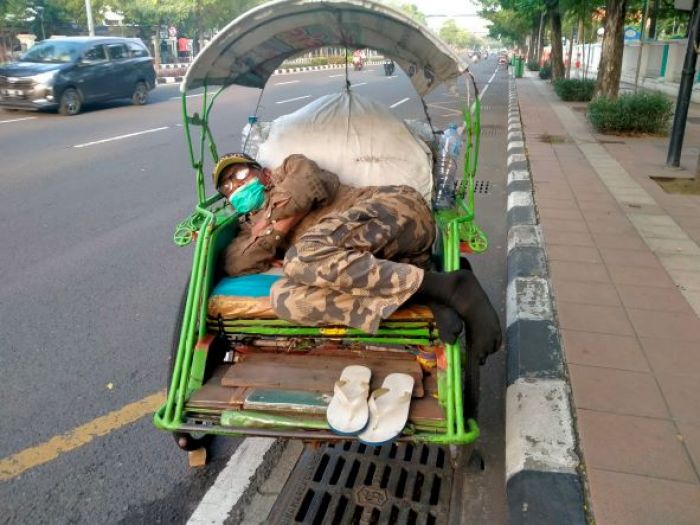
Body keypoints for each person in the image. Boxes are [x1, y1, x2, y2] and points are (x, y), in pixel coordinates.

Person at [214, 152, 502, 364]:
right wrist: (267, 231)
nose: (236, 186)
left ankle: (455, 288)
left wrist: (276, 226)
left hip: (397, 213)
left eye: (239, 175)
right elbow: (237, 262)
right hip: (384, 261)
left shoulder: (290, 168)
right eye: (228, 187)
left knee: (299, 257)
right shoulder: (248, 227)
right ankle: (426, 291)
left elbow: (306, 184)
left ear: (263, 173)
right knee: (284, 297)